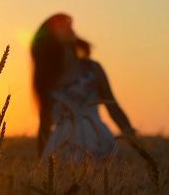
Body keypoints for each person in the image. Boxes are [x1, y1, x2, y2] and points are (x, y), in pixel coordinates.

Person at [31, 13, 136, 161]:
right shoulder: (46, 79)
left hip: (98, 139)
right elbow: (44, 123)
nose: (68, 27)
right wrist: (40, 162)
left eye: (69, 24)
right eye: (60, 25)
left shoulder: (93, 69)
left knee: (103, 181)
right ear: (49, 38)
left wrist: (136, 142)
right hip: (61, 147)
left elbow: (113, 107)